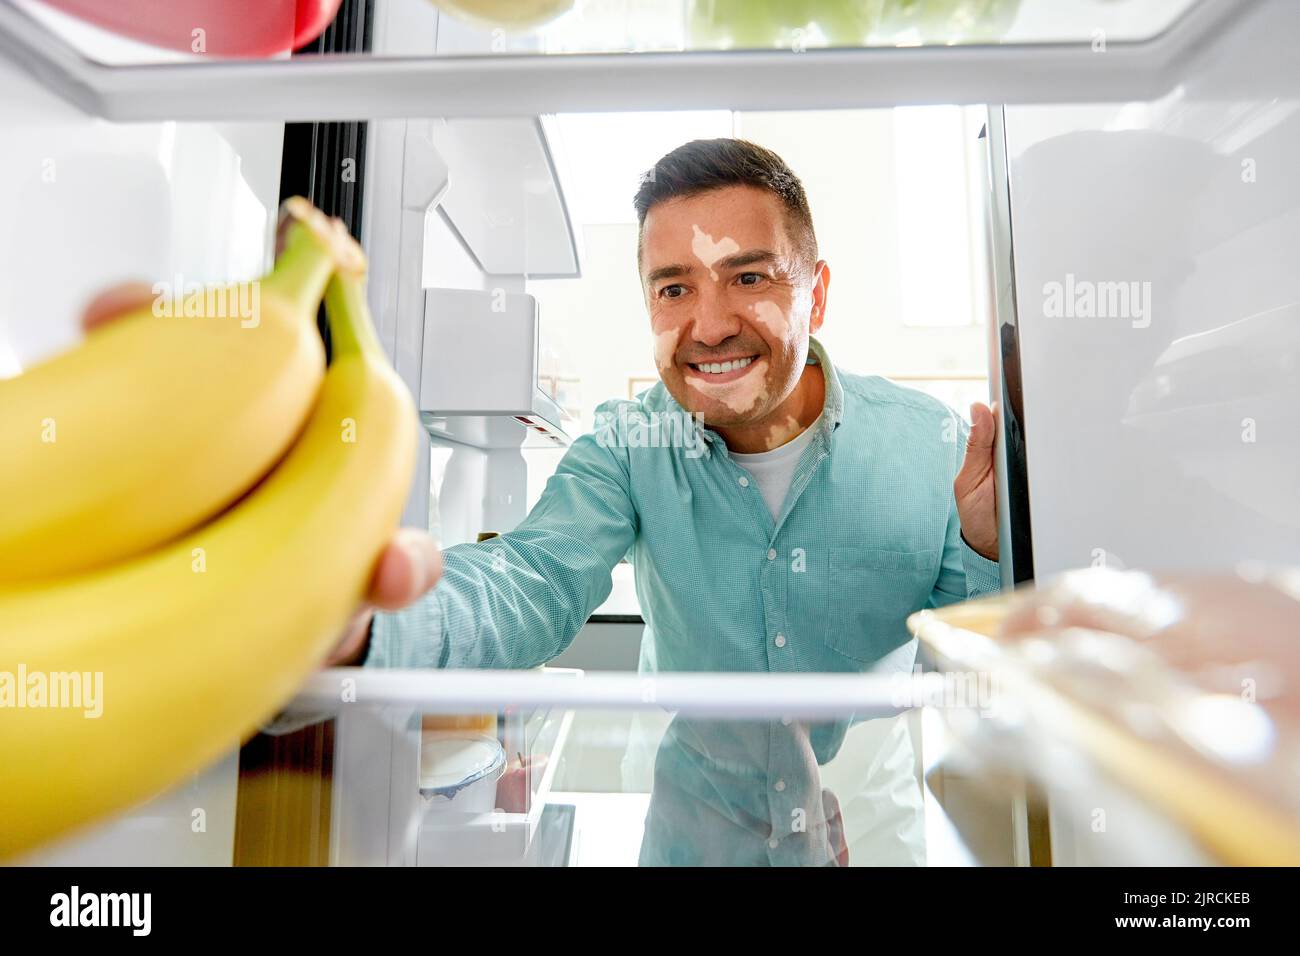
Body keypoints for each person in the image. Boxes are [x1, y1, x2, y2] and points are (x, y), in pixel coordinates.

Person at [89, 139, 1001, 865]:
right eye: (674, 288)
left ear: (819, 292)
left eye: (749, 278)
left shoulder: (932, 449)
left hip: (871, 837)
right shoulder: (626, 443)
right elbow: (530, 578)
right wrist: (360, 625)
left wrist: (1001, 555)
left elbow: (976, 676)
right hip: (695, 840)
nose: (711, 323)